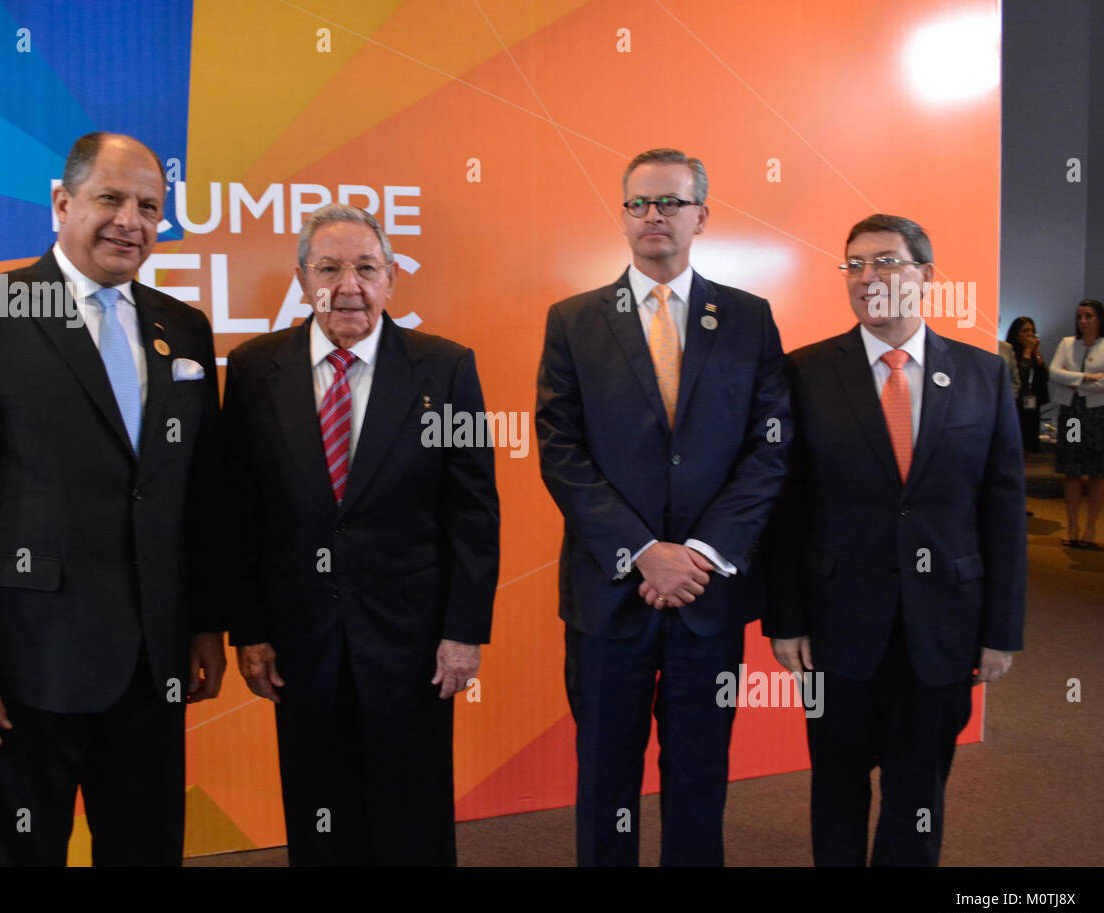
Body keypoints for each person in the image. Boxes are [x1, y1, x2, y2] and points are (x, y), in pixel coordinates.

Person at [0, 132, 227, 866]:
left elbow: (197, 493)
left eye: (149, 206)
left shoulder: (186, 329)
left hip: (153, 665)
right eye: (111, 199)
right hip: (23, 670)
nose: (131, 221)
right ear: (61, 201)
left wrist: (207, 623)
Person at [535, 148, 791, 866]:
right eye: (639, 203)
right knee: (606, 778)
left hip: (708, 598)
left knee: (701, 774)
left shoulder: (748, 318)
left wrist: (700, 555)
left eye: (671, 202)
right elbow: (560, 449)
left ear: (702, 216)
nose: (654, 215)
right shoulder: (574, 321)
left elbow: (768, 449)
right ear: (622, 217)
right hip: (609, 596)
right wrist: (642, 551)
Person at [223, 203, 499, 866]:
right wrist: (250, 629)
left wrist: (464, 632)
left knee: (413, 817)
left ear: (391, 279)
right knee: (320, 814)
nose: (349, 284)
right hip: (299, 641)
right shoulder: (256, 370)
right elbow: (239, 512)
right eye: (329, 267)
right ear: (301, 278)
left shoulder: (446, 368)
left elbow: (473, 511)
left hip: (414, 642)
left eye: (366, 267)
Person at [764, 214, 1026, 866]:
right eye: (853, 264)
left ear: (925, 275)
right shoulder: (803, 372)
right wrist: (786, 617)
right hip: (837, 625)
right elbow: (784, 508)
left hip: (943, 628)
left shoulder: (983, 374)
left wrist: (1002, 627)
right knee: (837, 788)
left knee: (918, 793)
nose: (867, 277)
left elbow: (1002, 508)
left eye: (885, 261)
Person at [1048, 299, 1104, 549]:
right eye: (1080, 316)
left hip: (1099, 414)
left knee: (1097, 471)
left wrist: (1075, 381)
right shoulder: (1068, 343)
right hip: (1072, 413)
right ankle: (1072, 526)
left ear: (1099, 318)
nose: (1083, 321)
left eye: (1088, 316)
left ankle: (1091, 527)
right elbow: (1054, 373)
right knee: (1072, 468)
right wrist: (1088, 377)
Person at [1004, 316, 1049, 453]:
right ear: (1016, 333)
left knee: (1031, 438)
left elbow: (1045, 377)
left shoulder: (1034, 354)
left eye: (1032, 331)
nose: (1030, 334)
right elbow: (1020, 376)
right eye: (1025, 331)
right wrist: (1027, 352)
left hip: (1032, 401)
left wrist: (1036, 353)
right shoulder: (1009, 352)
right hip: (1016, 401)